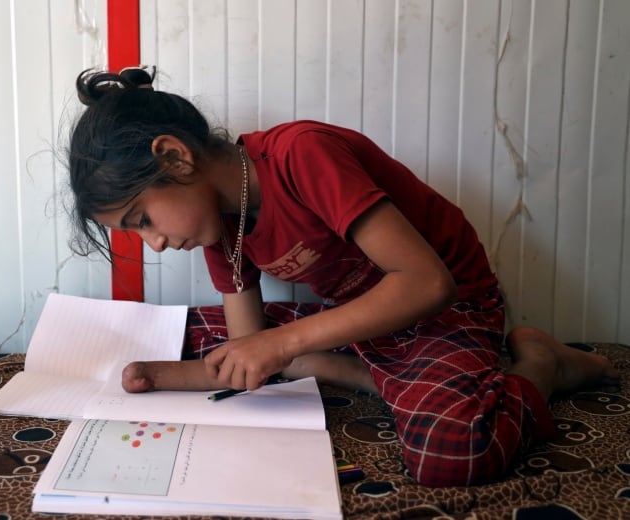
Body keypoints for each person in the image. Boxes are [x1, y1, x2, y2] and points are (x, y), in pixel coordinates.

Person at [66, 66, 619, 487]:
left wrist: (282, 344)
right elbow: (244, 350)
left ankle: (541, 365)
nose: (155, 243)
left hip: (446, 311)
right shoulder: (223, 229)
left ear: (175, 158)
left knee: (451, 452)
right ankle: (357, 370)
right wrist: (161, 376)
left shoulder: (302, 154)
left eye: (143, 220)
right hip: (360, 323)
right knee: (184, 328)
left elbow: (428, 284)